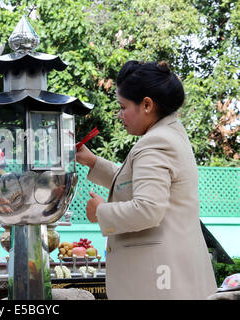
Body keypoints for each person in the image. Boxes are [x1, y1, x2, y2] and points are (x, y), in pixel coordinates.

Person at [76, 60, 217, 299]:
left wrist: (101, 212)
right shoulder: (170, 133)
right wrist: (93, 162)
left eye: (122, 106)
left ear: (147, 105)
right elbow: (137, 181)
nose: (120, 115)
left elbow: (148, 209)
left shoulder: (155, 143)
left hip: (161, 284)